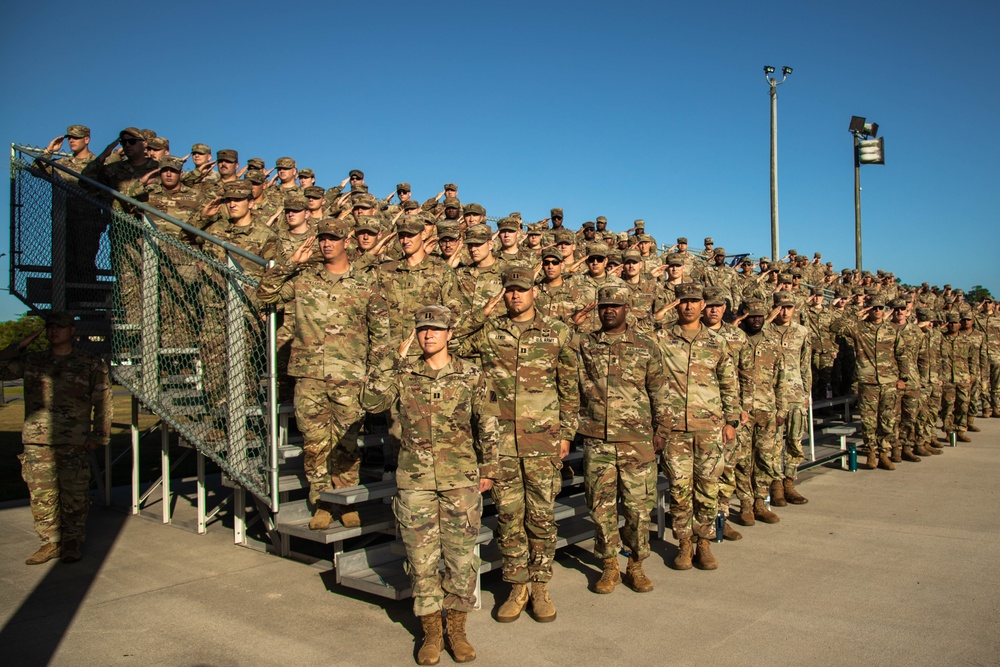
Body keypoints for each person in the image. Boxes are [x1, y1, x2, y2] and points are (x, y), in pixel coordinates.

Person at [363, 305, 499, 666]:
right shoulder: (403, 374)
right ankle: (431, 632)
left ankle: (457, 629)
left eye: (436, 329)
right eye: (423, 329)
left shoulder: (470, 374)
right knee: (420, 562)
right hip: (416, 481)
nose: (428, 335)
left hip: (460, 480)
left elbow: (486, 422)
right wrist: (391, 360)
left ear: (450, 334)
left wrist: (489, 468)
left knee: (459, 559)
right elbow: (371, 400)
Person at [455, 267, 578, 623]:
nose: (514, 295)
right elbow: (452, 342)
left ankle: (540, 586)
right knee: (509, 518)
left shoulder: (556, 332)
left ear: (533, 292)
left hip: (543, 440)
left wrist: (567, 432)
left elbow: (569, 386)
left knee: (541, 517)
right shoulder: (489, 332)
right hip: (501, 443)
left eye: (521, 290)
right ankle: (517, 585)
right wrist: (482, 311)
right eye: (509, 290)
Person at [256, 219, 389, 529]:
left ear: (347, 242)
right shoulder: (303, 280)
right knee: (315, 444)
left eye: (334, 238)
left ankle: (347, 501)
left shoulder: (365, 283)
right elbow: (265, 296)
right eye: (323, 239)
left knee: (346, 443)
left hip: (349, 377)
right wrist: (289, 264)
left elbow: (381, 335)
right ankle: (322, 503)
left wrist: (375, 377)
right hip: (310, 375)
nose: (327, 244)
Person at [577, 285, 671, 594]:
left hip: (637, 441)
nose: (609, 310)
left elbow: (659, 391)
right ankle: (608, 566)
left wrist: (662, 431)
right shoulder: (585, 345)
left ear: (626, 308)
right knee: (601, 508)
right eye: (604, 305)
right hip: (598, 440)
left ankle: (635, 565)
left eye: (615, 305)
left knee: (637, 510)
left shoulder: (646, 346)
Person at [0, 311, 112, 565]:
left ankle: (72, 542)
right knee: (42, 495)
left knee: (75, 494)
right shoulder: (32, 361)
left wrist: (99, 435)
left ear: (72, 331)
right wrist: (19, 345)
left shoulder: (88, 362)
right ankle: (49, 543)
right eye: (50, 327)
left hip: (74, 440)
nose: (54, 331)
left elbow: (103, 399)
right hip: (37, 441)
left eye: (60, 327)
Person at [655, 283, 740, 570]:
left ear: (703, 305)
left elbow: (729, 382)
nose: (689, 306)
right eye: (683, 301)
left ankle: (703, 543)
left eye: (694, 301)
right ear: (676, 304)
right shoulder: (662, 338)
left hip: (710, 427)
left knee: (707, 487)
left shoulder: (717, 342)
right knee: (679, 489)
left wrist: (732, 420)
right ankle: (684, 544)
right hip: (675, 428)